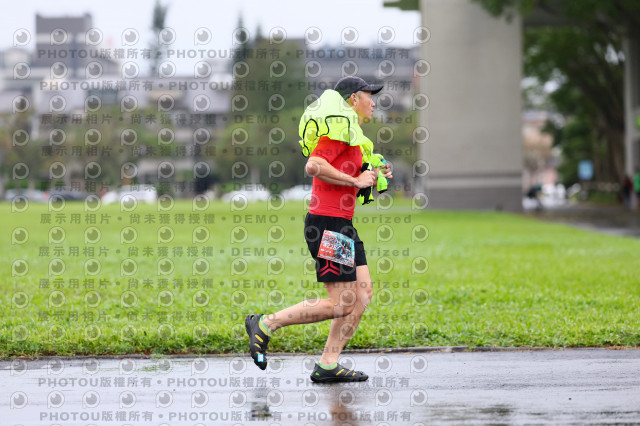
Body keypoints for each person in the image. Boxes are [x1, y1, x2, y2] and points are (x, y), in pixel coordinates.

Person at [245, 76, 392, 383]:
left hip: (342, 225)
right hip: (328, 224)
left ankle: (328, 364)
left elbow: (344, 175)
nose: (373, 102)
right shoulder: (337, 131)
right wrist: (355, 179)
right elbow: (314, 165)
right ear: (353, 99)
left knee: (362, 294)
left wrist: (373, 173)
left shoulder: (351, 135)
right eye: (369, 95)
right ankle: (266, 324)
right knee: (342, 303)